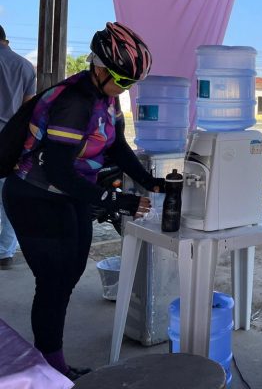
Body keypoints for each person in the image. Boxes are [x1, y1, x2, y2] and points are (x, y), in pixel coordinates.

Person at [2, 22, 163, 381]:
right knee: (53, 281)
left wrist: (149, 181)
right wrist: (116, 200)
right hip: (35, 197)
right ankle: (51, 369)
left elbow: (117, 147)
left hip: (70, 194)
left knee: (70, 274)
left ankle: (50, 358)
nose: (126, 88)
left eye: (132, 83)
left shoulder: (107, 96)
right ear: (100, 68)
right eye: (123, 80)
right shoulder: (74, 102)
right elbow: (58, 171)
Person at [0, 24, 36, 269]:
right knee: (8, 199)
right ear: (6, 40)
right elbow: (28, 110)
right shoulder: (24, 66)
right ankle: (5, 253)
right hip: (9, 140)